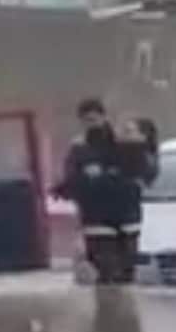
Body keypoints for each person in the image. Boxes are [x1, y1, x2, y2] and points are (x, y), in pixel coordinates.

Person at [53, 97, 147, 285]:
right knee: (105, 269)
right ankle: (109, 310)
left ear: (104, 117)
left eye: (95, 119)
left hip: (126, 216)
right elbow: (71, 180)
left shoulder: (124, 143)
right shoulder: (79, 149)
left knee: (126, 270)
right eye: (87, 120)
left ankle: (125, 311)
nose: (92, 124)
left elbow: (142, 171)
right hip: (96, 219)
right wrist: (68, 188)